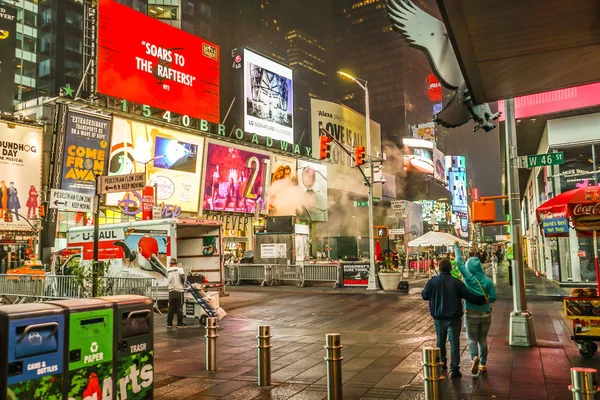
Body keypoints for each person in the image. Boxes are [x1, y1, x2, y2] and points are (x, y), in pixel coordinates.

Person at [421, 258, 487, 378]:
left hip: (438, 317)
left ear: (439, 268)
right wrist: (482, 299)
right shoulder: (456, 283)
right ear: (450, 269)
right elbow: (469, 296)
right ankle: (455, 368)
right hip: (454, 317)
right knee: (454, 343)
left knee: (440, 341)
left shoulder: (432, 282)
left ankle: (442, 363)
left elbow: (425, 296)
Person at [454, 242, 497, 375]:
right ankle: (483, 364)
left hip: (471, 312)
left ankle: (474, 357)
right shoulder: (487, 281)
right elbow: (494, 297)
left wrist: (456, 247)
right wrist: (485, 300)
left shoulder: (469, 278)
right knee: (482, 338)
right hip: (485, 313)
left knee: (472, 338)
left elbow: (459, 263)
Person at [166, 258, 187, 329]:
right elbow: (182, 277)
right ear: (176, 263)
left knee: (171, 308)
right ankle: (180, 323)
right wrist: (183, 283)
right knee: (179, 307)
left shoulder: (167, 270)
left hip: (171, 292)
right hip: (179, 291)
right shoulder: (179, 269)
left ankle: (169, 324)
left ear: (170, 264)